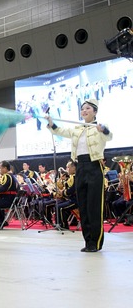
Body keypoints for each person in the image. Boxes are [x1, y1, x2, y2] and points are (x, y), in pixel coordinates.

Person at [47, 98, 113, 252]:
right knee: (83, 205)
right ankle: (87, 241)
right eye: (83, 108)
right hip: (80, 167)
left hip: (94, 166)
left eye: (88, 108)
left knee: (94, 207)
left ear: (95, 111)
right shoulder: (77, 129)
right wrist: (50, 121)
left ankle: (95, 243)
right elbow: (60, 131)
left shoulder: (100, 127)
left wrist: (103, 129)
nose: (84, 111)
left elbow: (109, 136)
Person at [55, 160, 78, 230]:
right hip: (73, 199)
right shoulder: (73, 177)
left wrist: (63, 192)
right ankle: (58, 224)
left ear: (74, 168)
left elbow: (72, 190)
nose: (67, 169)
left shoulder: (76, 177)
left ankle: (64, 226)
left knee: (60, 208)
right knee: (57, 204)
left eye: (68, 167)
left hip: (77, 200)